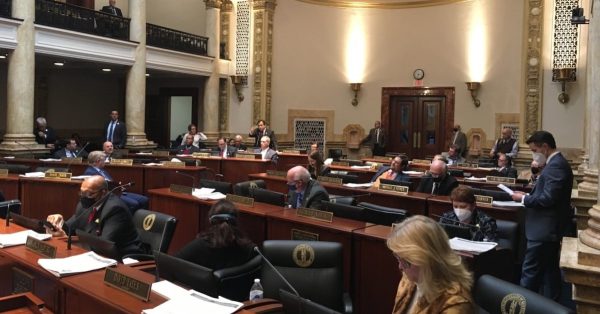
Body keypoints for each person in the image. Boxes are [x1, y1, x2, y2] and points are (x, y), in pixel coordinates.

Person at [511, 131, 573, 301]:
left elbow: (548, 198)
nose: (533, 154)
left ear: (544, 147)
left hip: (544, 229)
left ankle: (522, 306)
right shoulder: (553, 165)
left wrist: (523, 198)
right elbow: (545, 191)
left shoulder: (556, 165)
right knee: (550, 271)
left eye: (534, 150)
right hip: (546, 229)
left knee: (530, 274)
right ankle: (552, 305)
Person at [387, 216, 474, 313]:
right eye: (398, 258)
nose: (400, 267)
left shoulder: (456, 304)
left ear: (427, 260)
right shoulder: (410, 279)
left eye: (405, 261)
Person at [45, 176, 143, 258]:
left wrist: (67, 239)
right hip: (97, 253)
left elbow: (104, 245)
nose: (84, 197)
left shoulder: (115, 209)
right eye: (82, 193)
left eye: (89, 194)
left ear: (103, 192)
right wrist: (57, 225)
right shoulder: (84, 204)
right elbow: (72, 227)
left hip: (123, 256)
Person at [175, 200, 256, 270]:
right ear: (236, 222)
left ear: (211, 221)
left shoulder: (200, 245)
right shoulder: (249, 248)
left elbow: (172, 264)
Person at [83, 151, 148, 214]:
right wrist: (116, 188)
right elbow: (100, 188)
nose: (105, 162)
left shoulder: (102, 170)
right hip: (109, 195)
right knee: (134, 204)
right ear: (98, 161)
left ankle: (141, 221)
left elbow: (110, 182)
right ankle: (130, 223)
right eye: (103, 160)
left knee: (144, 200)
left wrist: (118, 187)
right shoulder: (90, 172)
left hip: (117, 192)